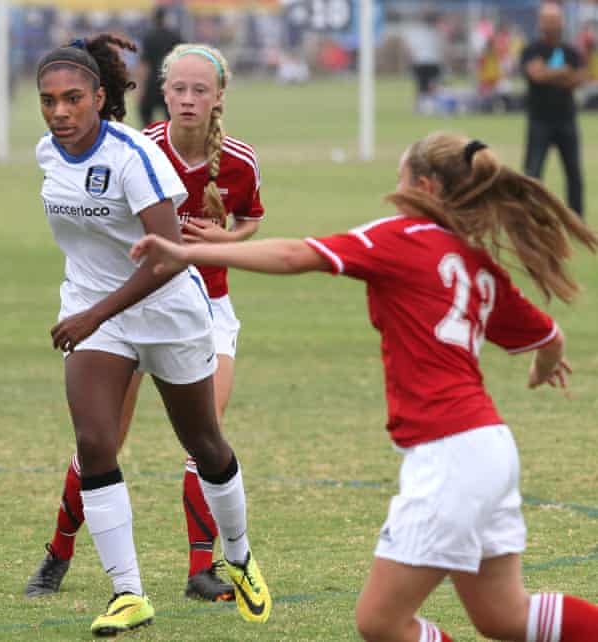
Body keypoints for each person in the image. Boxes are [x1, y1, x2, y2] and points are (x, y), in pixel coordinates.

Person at [132, 132, 598, 642]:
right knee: (503, 616)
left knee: (380, 621)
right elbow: (549, 337)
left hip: (451, 454)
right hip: (489, 448)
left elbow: (295, 255)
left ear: (423, 184)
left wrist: (186, 253)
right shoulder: (474, 262)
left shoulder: (401, 236)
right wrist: (543, 366)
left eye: (399, 176)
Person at [32, 35, 271, 636]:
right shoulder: (47, 153)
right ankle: (129, 594)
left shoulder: (133, 155)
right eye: (48, 100)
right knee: (94, 443)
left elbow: (167, 258)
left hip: (168, 312)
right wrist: (90, 312)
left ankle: (238, 556)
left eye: (73, 99)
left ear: (101, 98)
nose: (60, 112)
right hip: (93, 311)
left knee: (206, 444)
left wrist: (95, 313)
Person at [521, 2, 589, 217]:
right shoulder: (531, 50)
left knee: (574, 173)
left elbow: (579, 80)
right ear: (540, 22)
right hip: (539, 119)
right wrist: (563, 72)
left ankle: (576, 219)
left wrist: (548, 72)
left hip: (566, 119)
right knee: (532, 173)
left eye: (554, 19)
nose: (550, 24)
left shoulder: (571, 50)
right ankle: (530, 219)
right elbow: (536, 75)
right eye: (547, 19)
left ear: (561, 21)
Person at [137, 7, 182, 126]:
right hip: (170, 82)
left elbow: (144, 64)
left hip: (152, 82)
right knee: (171, 118)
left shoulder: (149, 37)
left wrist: (140, 88)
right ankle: (170, 141)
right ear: (166, 19)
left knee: (145, 113)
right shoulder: (175, 36)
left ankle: (148, 139)